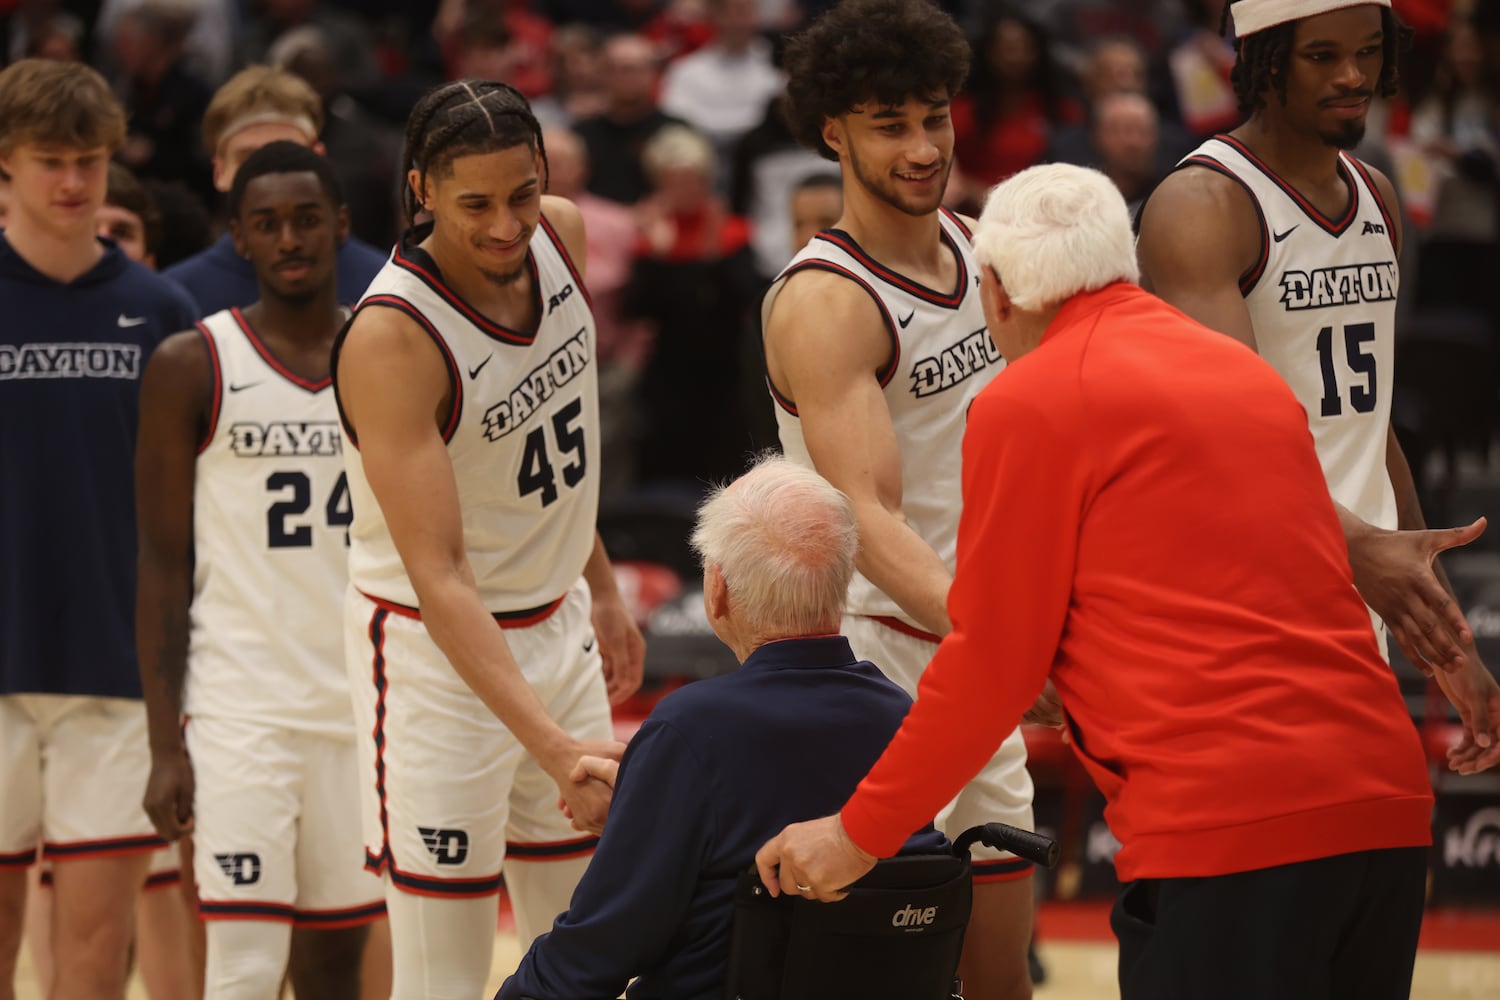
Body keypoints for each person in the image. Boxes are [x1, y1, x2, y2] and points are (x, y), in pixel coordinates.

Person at [758, 162, 1443, 1000]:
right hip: (1387, 809)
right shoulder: (1244, 374)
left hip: (1226, 832)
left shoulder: (1031, 401)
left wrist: (856, 835)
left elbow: (992, 664)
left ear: (999, 293)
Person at [330, 79, 645, 1000]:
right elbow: (441, 573)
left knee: (587, 956)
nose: (509, 224)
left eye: (521, 193)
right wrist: (553, 748)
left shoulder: (564, 232)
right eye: (476, 204)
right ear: (422, 188)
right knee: (443, 979)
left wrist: (604, 587)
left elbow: (563, 446)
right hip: (438, 660)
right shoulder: (393, 337)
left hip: (558, 626)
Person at [1135, 0, 1500, 763]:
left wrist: (1442, 633)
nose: (1353, 75)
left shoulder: (1377, 196)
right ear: (1265, 61)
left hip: (1354, 582)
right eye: (1323, 55)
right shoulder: (1203, 204)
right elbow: (1228, 436)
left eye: (1368, 52)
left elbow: (1370, 427)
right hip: (1242, 608)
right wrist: (1362, 550)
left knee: (1374, 870)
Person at [762, 1, 1036, 996]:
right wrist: (994, 637)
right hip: (876, 654)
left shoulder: (978, 248)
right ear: (834, 130)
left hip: (973, 640)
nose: (924, 146)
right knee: (871, 972)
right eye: (891, 123)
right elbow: (867, 516)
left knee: (1003, 971)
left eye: (935, 115)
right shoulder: (827, 300)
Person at [499, 455, 948, 1000]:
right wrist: (651, 802)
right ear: (844, 584)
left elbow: (590, 958)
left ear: (717, 590)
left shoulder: (689, 730)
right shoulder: (900, 715)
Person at [136, 141, 387, 1000]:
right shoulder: (191, 365)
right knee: (241, 968)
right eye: (268, 223)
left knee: (332, 972)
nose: (291, 239)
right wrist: (165, 743)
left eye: (308, 219)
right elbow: (163, 569)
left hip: (363, 714)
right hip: (242, 715)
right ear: (237, 238)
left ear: (342, 227)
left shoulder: (389, 355)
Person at [0, 57, 198, 1000]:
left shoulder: (161, 313)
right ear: (6, 164)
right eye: (50, 160)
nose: (74, 183)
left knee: (90, 958)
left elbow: (192, 510)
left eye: (89, 159)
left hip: (118, 678)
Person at [164, 65, 389, 317]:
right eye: (248, 159)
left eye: (287, 154)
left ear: (321, 161)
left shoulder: (386, 284)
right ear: (220, 172)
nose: (268, 176)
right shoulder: (175, 296)